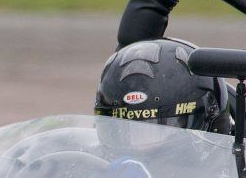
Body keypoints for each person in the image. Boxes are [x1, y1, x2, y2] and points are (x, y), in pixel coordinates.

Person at [91, 38, 232, 134]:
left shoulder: (235, 175)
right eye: (128, 132)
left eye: (155, 132)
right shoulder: (102, 173)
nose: (139, 149)